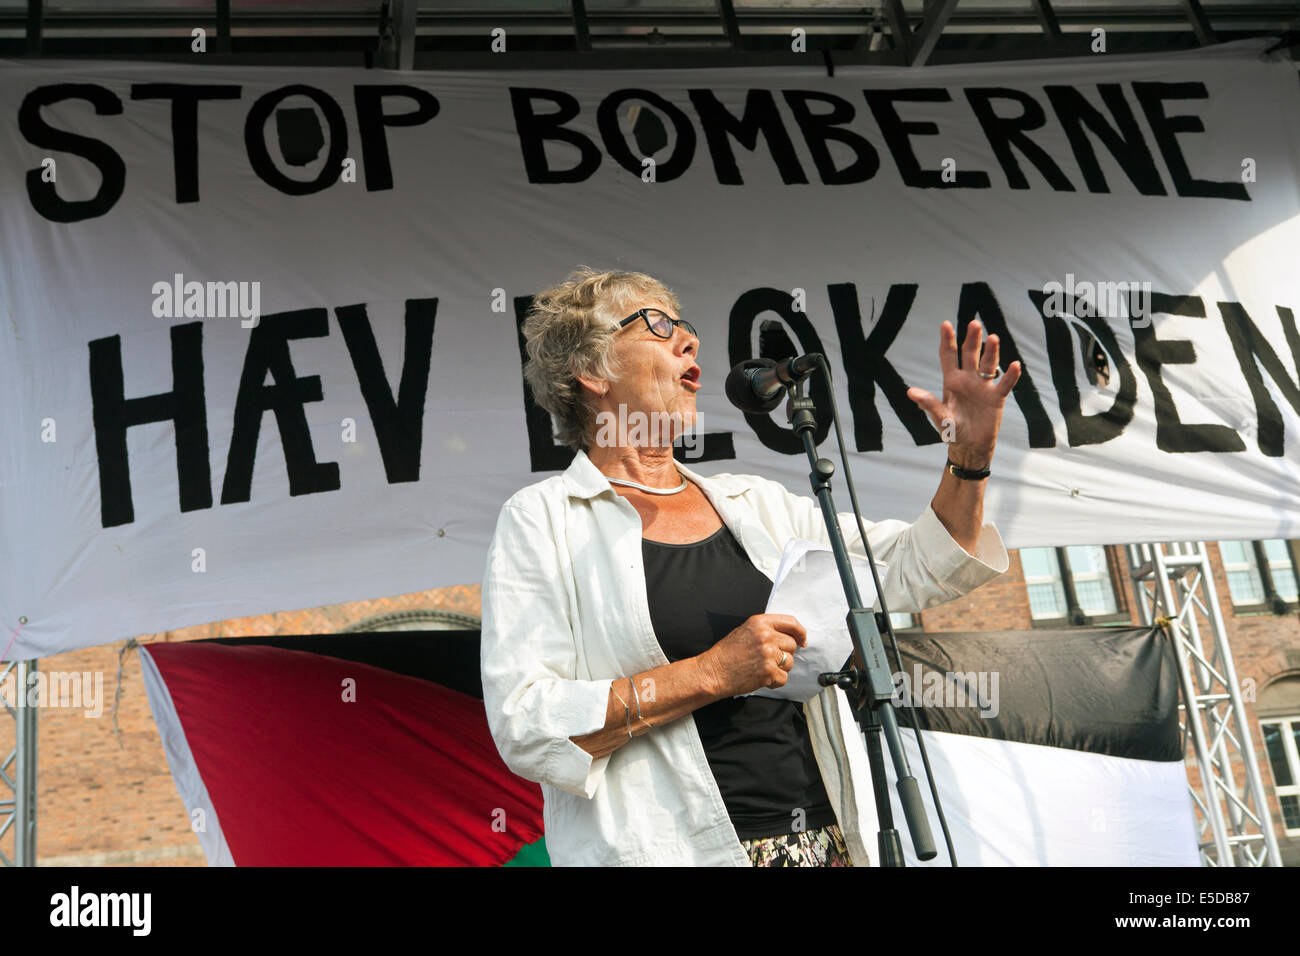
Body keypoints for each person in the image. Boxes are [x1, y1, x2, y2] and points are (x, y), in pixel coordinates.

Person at [480, 266, 1020, 866]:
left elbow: (914, 565)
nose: (690, 340)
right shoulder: (544, 519)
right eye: (657, 325)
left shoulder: (753, 503)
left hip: (818, 842)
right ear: (589, 370)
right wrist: (713, 672)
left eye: (685, 325)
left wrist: (970, 459)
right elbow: (527, 725)